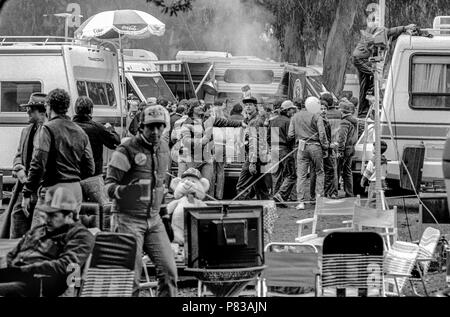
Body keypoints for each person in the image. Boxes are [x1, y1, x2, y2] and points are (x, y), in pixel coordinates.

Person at [105, 105, 177, 297]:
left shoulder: (163, 148)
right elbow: (108, 186)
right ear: (141, 127)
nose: (155, 132)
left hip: (154, 220)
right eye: (150, 127)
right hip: (127, 220)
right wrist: (127, 191)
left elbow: (160, 185)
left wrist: (165, 216)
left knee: (170, 273)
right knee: (130, 281)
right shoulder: (126, 149)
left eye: (160, 127)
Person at [0, 187, 95, 297]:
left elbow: (66, 265)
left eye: (53, 216)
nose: (47, 220)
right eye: (47, 215)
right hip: (15, 275)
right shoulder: (39, 229)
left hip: (40, 284)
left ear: (69, 216)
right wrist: (9, 268)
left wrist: (25, 270)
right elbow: (13, 253)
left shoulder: (80, 236)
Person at [23, 89, 95, 227]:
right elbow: (90, 168)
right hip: (75, 190)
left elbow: (38, 162)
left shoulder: (47, 129)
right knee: (65, 238)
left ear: (48, 106)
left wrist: (27, 192)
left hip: (54, 189)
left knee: (40, 238)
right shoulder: (81, 132)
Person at [0, 93, 47, 239]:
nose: (27, 112)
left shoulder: (48, 131)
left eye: (31, 109)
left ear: (41, 111)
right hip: (23, 189)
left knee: (36, 234)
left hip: (40, 188)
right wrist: (19, 167)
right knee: (16, 223)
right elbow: (18, 154)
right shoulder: (26, 131)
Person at [72, 96, 120, 230]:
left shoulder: (69, 127)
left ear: (75, 110)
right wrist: (111, 129)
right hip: (93, 176)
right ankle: (104, 239)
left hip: (73, 178)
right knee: (104, 211)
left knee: (75, 212)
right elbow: (115, 142)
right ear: (91, 110)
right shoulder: (97, 128)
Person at [353, 16, 416, 118]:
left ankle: (363, 111)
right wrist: (405, 28)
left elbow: (392, 33)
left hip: (361, 58)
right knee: (374, 73)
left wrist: (403, 30)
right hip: (361, 59)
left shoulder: (376, 32)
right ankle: (370, 95)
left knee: (364, 84)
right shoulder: (380, 31)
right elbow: (391, 31)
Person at [288, 96, 329, 210]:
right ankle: (319, 198)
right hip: (315, 146)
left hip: (301, 146)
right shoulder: (317, 116)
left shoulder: (295, 117)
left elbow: (290, 134)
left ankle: (301, 202)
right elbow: (322, 134)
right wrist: (325, 147)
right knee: (319, 172)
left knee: (301, 175)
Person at [236, 96, 270, 200]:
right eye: (246, 105)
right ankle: (267, 213)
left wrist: (252, 162)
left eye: (250, 105)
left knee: (242, 186)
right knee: (260, 187)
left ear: (255, 106)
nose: (248, 107)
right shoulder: (252, 120)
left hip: (254, 157)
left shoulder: (254, 121)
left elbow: (254, 142)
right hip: (259, 156)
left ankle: (244, 212)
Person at [270, 100, 297, 205]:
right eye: (292, 110)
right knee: (291, 175)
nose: (293, 112)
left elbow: (268, 137)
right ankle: (280, 195)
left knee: (277, 175)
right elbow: (290, 137)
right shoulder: (288, 121)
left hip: (274, 149)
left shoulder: (273, 121)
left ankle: (275, 198)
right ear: (287, 110)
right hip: (284, 150)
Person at [337, 100, 358, 198]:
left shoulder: (344, 122)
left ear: (342, 111)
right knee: (348, 171)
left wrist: (340, 150)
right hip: (351, 148)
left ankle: (333, 192)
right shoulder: (353, 121)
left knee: (337, 170)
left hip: (345, 149)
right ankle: (349, 193)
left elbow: (342, 138)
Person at [360, 141, 388, 207]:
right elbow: (386, 172)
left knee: (372, 200)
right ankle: (379, 212)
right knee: (380, 200)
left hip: (373, 183)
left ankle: (373, 213)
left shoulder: (373, 160)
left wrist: (362, 180)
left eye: (374, 148)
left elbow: (368, 172)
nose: (373, 149)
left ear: (376, 150)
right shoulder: (384, 160)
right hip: (382, 182)